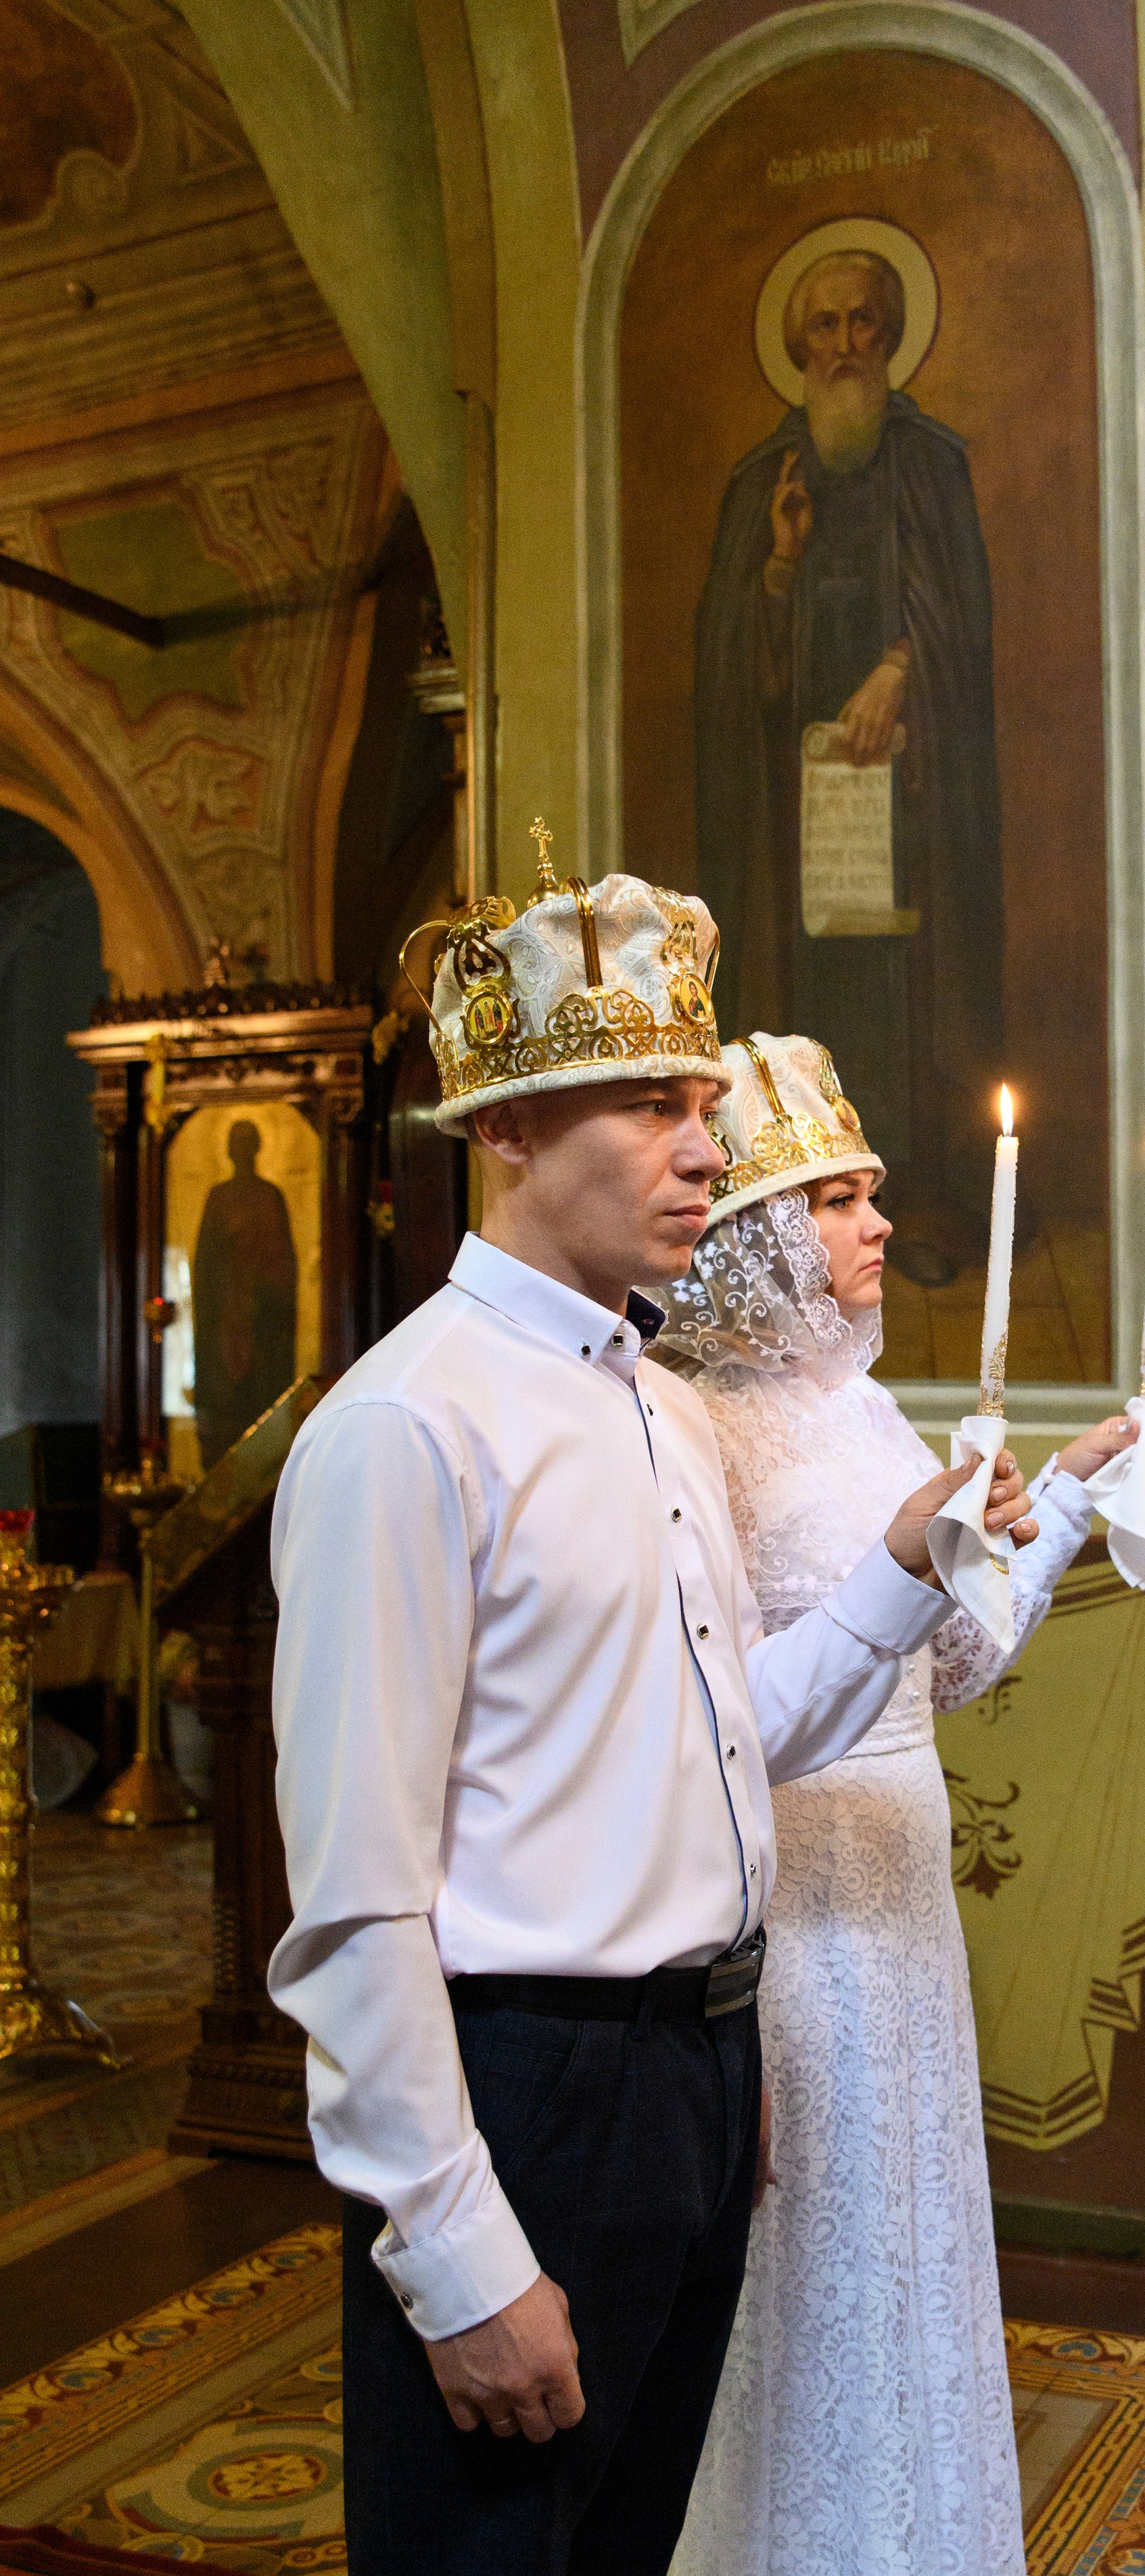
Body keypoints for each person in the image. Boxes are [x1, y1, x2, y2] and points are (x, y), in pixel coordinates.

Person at [265, 868, 1035, 2575]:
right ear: (512, 1125)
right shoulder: (407, 1428)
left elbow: (726, 1738)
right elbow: (354, 1903)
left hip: (690, 2073)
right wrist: (455, 2246)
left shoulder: (667, 1411)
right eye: (651, 1104)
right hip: (520, 2082)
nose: (703, 1148)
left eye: (704, 1105)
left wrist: (907, 1566)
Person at [650, 1033, 1145, 2576]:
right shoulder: (705, 1432)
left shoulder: (862, 1408)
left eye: (873, 1195)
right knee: (808, 2280)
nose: (879, 1223)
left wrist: (1065, 1491)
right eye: (840, 1199)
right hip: (795, 1917)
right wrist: (906, 1549)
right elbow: (713, 1713)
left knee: (908, 2267)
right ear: (752, 1233)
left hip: (906, 1908)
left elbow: (944, 1663)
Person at [695, 246, 1001, 1281]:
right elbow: (736, 674)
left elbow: (962, 628)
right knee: (810, 991)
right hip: (802, 815)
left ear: (891, 332)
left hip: (908, 798)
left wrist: (904, 669)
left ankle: (909, 1199)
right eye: (822, 328)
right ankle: (800, 1213)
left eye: (863, 323)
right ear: (797, 346)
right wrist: (779, 568)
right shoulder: (762, 482)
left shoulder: (931, 464)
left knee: (903, 988)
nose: (843, 347)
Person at [191, 1116, 297, 1463]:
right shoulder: (219, 1197)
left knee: (261, 1399)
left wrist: (261, 1286)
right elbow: (206, 1263)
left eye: (246, 1142)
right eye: (234, 1142)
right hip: (226, 1318)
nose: (240, 1150)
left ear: (256, 1148)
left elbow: (283, 1262)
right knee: (224, 1405)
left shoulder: (271, 1196)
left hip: (263, 1321)